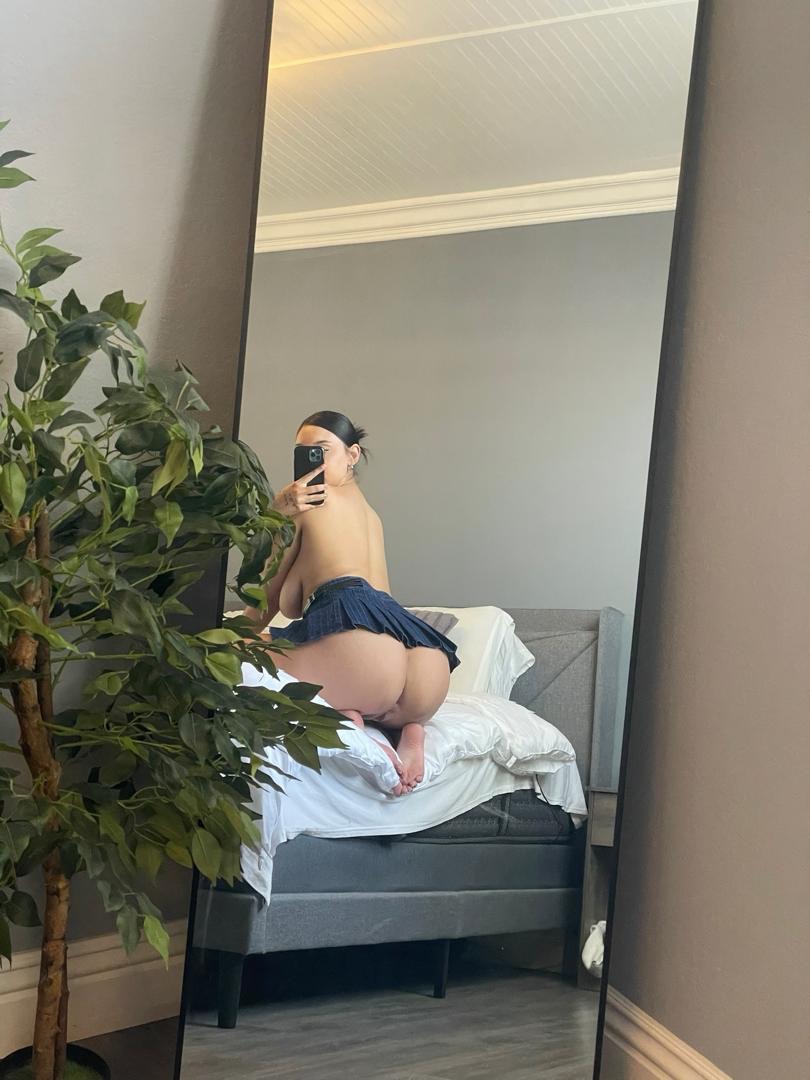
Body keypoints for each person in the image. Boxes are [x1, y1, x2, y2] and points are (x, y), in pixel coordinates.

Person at [243, 410, 459, 796]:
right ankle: (409, 730)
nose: (312, 460)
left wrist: (278, 513)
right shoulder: (373, 518)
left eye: (322, 450)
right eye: (303, 452)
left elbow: (267, 598)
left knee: (235, 650)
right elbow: (377, 601)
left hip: (363, 658)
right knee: (369, 677)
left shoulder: (306, 504)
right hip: (425, 668)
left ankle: (350, 720)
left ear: (352, 454)